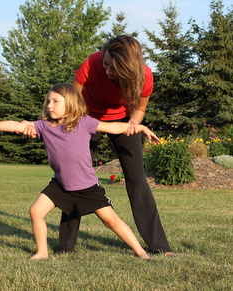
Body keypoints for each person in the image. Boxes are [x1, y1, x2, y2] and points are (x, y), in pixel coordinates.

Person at [0, 83, 160, 260]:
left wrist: (141, 128)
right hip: (61, 185)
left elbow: (114, 127)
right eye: (48, 101)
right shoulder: (44, 126)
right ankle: (42, 252)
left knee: (111, 221)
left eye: (56, 101)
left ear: (71, 104)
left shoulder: (85, 123)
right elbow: (15, 125)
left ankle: (140, 252)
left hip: (87, 187)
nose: (49, 105)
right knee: (35, 211)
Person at [56, 35, 173, 255]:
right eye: (106, 64)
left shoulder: (145, 75)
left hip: (122, 121)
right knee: (74, 177)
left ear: (129, 68)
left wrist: (132, 124)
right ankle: (65, 247)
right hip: (86, 118)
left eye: (114, 68)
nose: (107, 70)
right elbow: (71, 100)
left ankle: (160, 246)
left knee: (137, 179)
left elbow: (139, 109)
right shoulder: (92, 63)